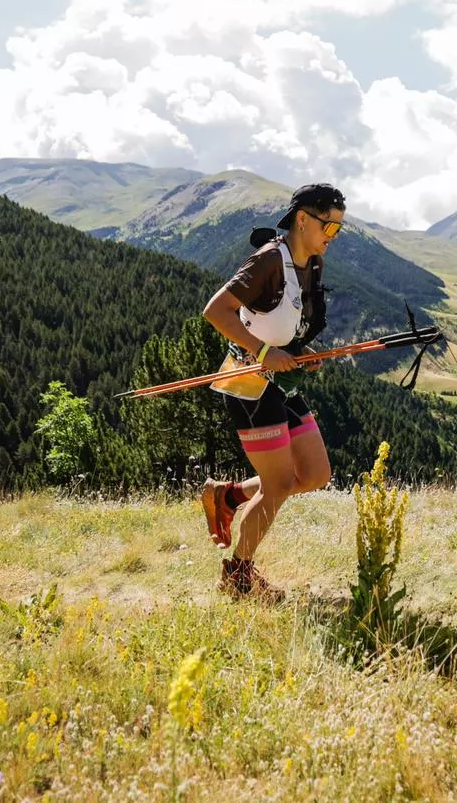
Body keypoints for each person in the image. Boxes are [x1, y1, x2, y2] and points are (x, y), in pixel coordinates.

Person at [197, 182, 345, 603]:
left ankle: (228, 495)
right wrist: (263, 351)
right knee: (278, 484)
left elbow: (286, 323)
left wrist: (299, 352)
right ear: (303, 219)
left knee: (314, 474)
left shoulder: (311, 264)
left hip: (281, 380)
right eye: (329, 227)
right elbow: (215, 311)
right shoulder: (269, 260)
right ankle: (238, 576)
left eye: (338, 229)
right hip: (247, 384)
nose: (332, 236)